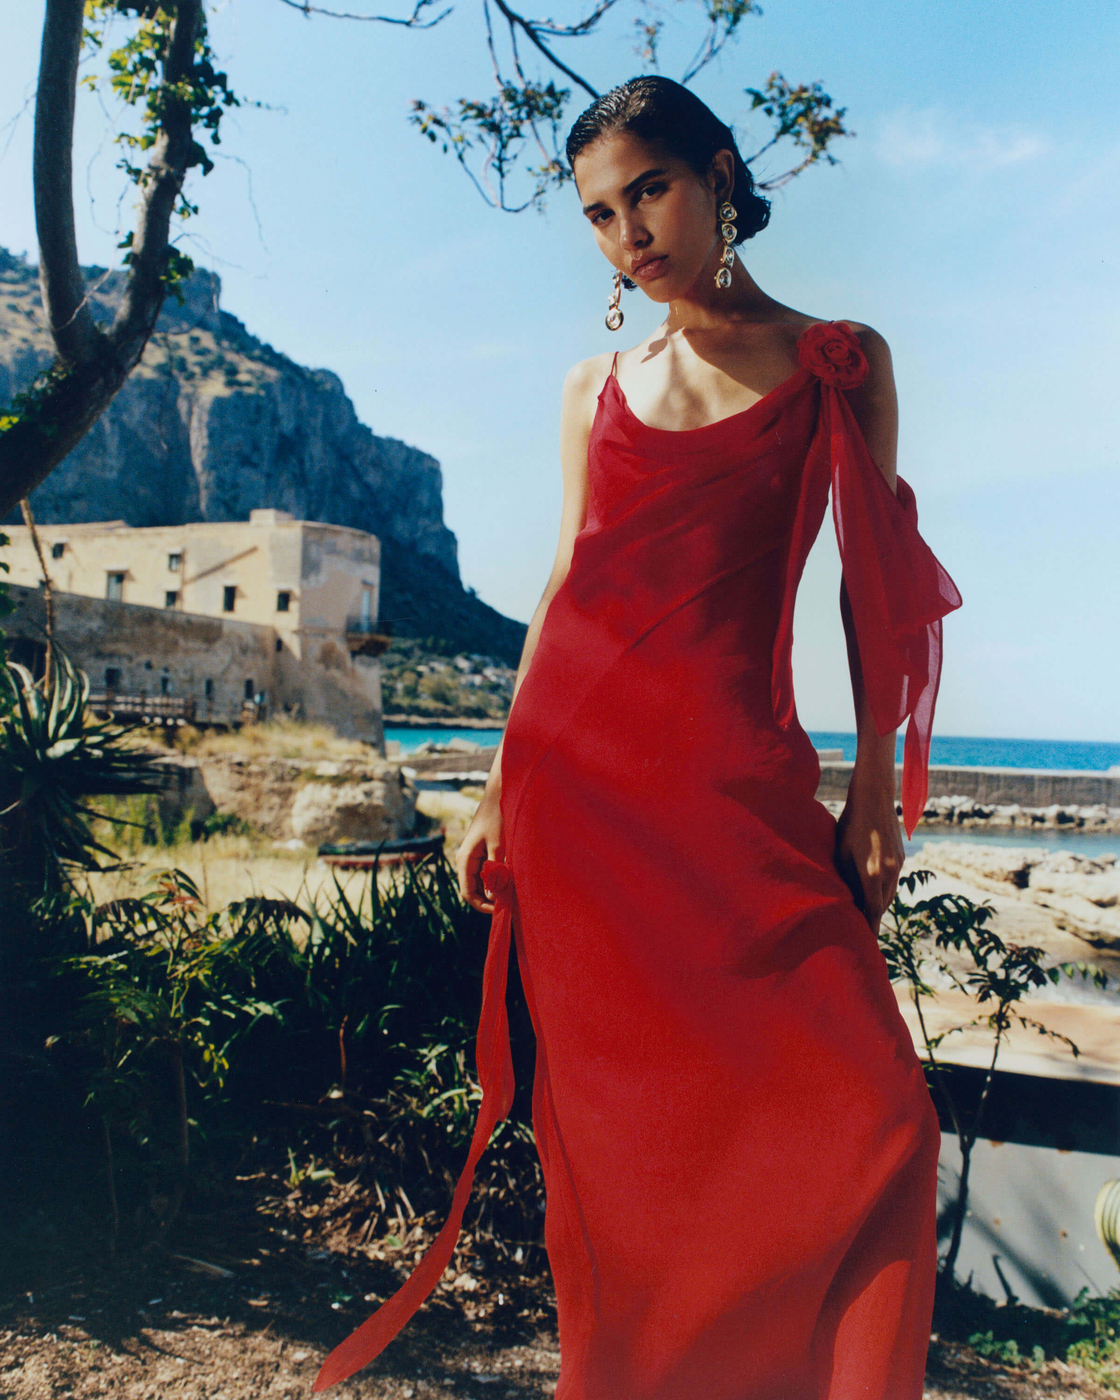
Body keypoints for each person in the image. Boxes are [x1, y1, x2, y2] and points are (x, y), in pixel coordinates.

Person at [315, 75, 962, 1399]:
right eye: (601, 215)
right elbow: (565, 585)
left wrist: (875, 793)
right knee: (634, 1159)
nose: (628, 234)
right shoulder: (594, 387)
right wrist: (498, 788)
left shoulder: (839, 361)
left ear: (718, 175)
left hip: (743, 796)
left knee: (880, 1117)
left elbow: (873, 587)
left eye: (648, 191)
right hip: (586, 801)